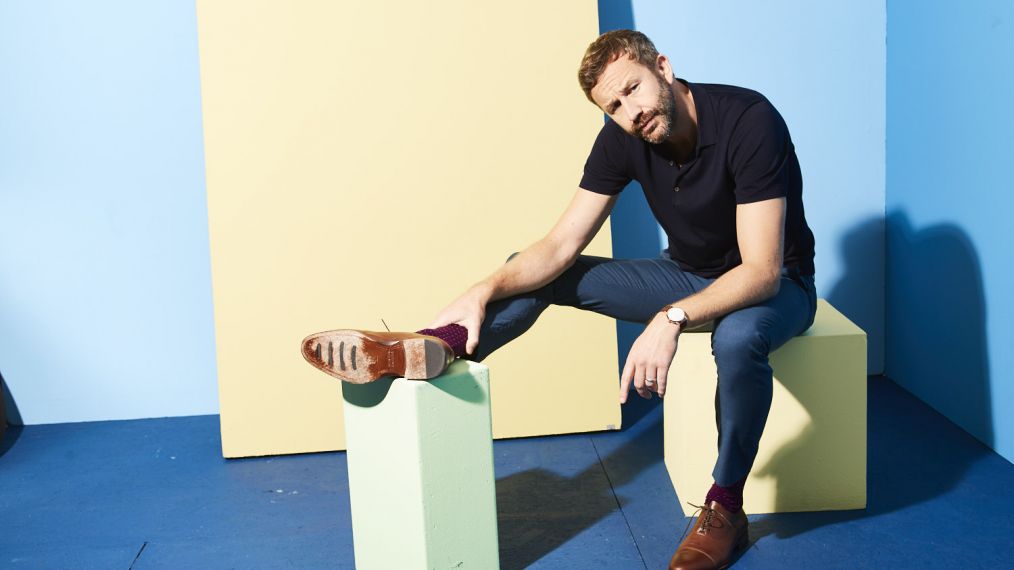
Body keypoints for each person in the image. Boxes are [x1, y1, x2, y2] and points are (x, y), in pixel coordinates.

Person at [302, 29, 816, 570]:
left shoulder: (748, 119)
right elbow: (559, 246)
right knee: (531, 272)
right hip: (686, 274)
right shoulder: (623, 137)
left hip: (780, 287)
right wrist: (482, 290)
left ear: (663, 67)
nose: (630, 112)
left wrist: (672, 317)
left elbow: (761, 271)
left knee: (736, 339)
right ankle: (437, 346)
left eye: (633, 89)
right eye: (613, 106)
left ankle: (725, 508)